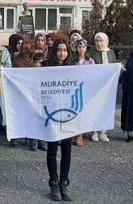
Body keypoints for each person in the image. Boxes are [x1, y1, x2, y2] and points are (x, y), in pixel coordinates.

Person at [44, 39, 76, 201]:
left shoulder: (73, 69)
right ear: (54, 51)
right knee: (51, 149)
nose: (62, 53)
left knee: (66, 150)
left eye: (65, 50)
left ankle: (63, 182)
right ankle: (53, 183)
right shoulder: (46, 67)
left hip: (68, 114)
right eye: (59, 50)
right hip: (51, 113)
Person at [12, 38, 46, 152]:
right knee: (22, 114)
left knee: (36, 116)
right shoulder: (16, 60)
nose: (26, 52)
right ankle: (19, 137)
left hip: (35, 92)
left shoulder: (35, 59)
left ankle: (36, 139)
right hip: (21, 90)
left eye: (29, 50)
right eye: (24, 50)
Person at [90, 32, 117, 142]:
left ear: (105, 41)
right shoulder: (92, 52)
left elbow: (115, 65)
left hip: (108, 85)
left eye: (101, 41)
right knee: (96, 108)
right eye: (97, 41)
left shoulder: (110, 52)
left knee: (106, 108)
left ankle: (103, 132)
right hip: (96, 85)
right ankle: (94, 131)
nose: (99, 43)